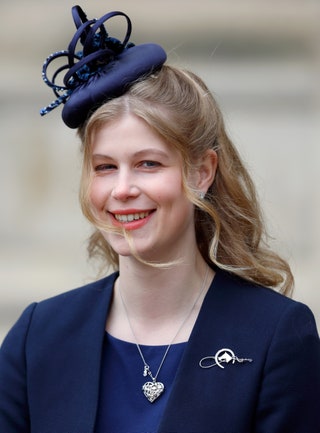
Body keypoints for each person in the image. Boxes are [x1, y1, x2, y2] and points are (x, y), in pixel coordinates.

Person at [0, 5, 319, 433]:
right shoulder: (37, 337)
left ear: (201, 172)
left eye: (148, 164)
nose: (122, 189)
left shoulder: (277, 335)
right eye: (105, 167)